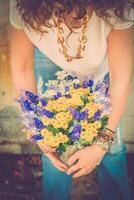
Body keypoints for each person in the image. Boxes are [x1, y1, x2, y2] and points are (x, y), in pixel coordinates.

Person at [9, 0, 134, 200]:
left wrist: (102, 142)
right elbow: (22, 69)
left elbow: (120, 80)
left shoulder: (118, 7)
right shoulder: (22, 5)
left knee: (112, 145)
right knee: (55, 143)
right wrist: (38, 131)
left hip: (103, 67)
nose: (73, 18)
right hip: (51, 59)